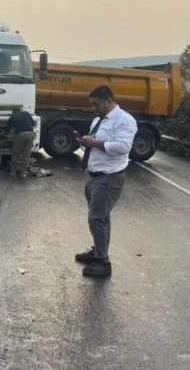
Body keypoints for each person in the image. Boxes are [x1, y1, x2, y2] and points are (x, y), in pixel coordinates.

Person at [75, 85, 137, 278]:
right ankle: (98, 251)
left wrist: (95, 144)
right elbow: (99, 142)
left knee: (97, 219)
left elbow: (123, 147)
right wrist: (88, 141)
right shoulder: (99, 119)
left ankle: (103, 262)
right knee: (101, 218)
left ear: (108, 100)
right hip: (96, 177)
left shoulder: (124, 120)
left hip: (109, 178)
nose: (94, 108)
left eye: (96, 104)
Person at [5, 107, 36, 177]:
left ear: (13, 112)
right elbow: (33, 123)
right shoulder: (26, 113)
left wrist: (5, 135)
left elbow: (7, 129)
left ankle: (13, 172)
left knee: (16, 153)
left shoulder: (12, 117)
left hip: (20, 135)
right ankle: (23, 173)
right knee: (26, 155)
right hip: (30, 134)